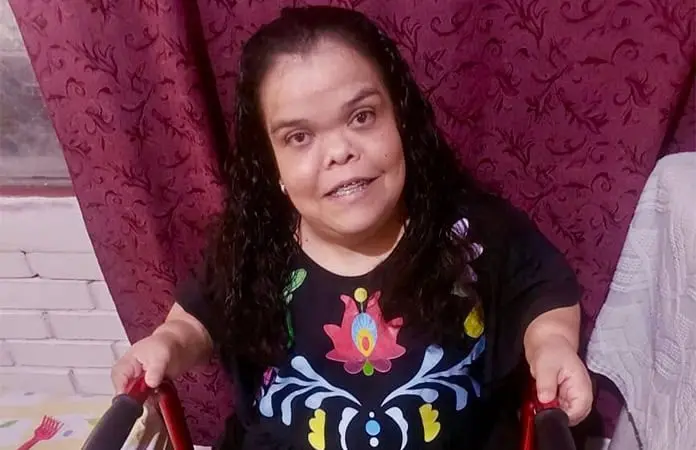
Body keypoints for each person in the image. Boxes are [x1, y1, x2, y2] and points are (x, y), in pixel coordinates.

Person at [111, 6, 593, 449]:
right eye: (299, 137)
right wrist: (166, 344)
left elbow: (545, 292)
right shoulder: (252, 247)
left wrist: (551, 345)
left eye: (362, 117)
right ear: (272, 164)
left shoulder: (473, 232)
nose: (340, 152)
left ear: (400, 119)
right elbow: (191, 323)